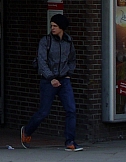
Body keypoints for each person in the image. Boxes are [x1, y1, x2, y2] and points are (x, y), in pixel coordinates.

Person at [20, 14, 81, 151]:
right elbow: (42, 61)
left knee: (71, 110)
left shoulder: (68, 42)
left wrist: (69, 73)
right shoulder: (45, 41)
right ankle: (27, 131)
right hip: (48, 81)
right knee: (44, 112)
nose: (52, 28)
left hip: (64, 80)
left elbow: (72, 59)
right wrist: (50, 78)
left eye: (55, 26)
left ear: (62, 28)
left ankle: (70, 141)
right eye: (51, 25)